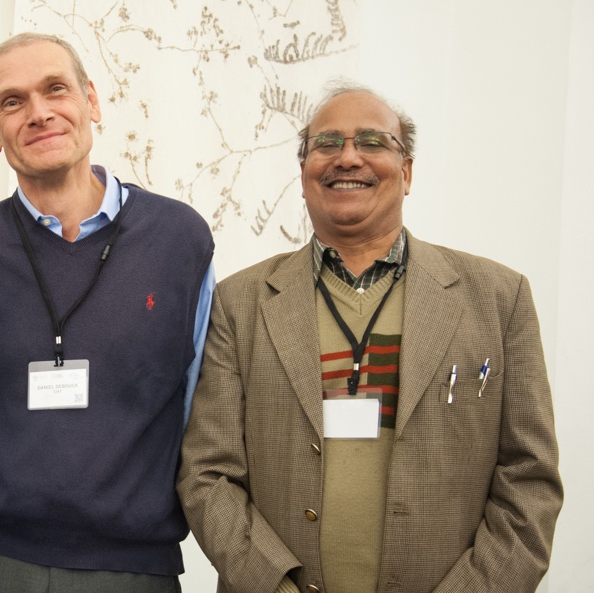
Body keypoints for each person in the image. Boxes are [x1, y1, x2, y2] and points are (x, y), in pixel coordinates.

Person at [177, 83, 563, 593]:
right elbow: (208, 474)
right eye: (328, 143)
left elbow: (529, 478)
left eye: (373, 142)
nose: (348, 157)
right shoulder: (239, 302)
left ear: (406, 173)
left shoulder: (498, 298)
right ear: (304, 172)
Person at [0, 32, 215, 592]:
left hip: (135, 569)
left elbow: (200, 410)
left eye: (55, 89)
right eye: (12, 101)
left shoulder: (181, 240)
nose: (38, 113)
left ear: (92, 101)